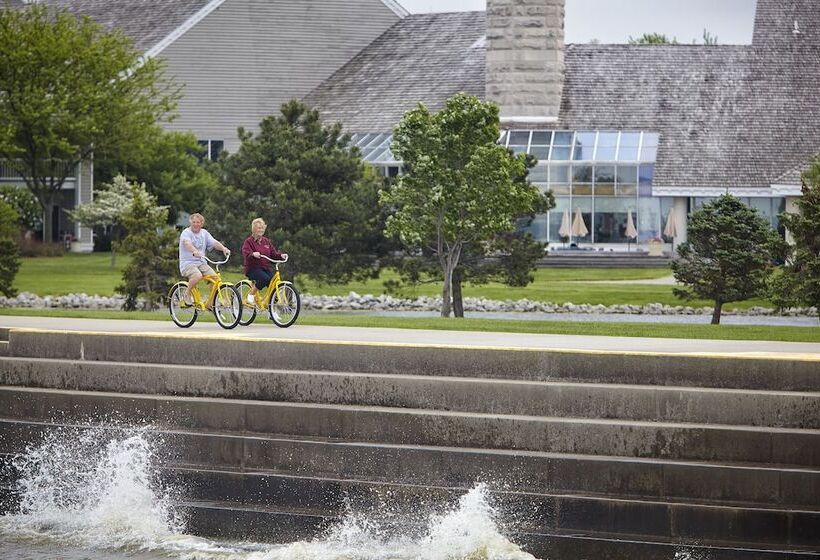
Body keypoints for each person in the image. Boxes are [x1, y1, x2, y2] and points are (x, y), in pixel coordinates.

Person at [178, 213, 230, 305]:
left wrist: (223, 248)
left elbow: (214, 242)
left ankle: (211, 303)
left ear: (202, 223)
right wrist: (194, 251)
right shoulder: (186, 232)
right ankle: (187, 293)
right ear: (190, 222)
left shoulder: (204, 233)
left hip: (201, 262)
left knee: (215, 279)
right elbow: (187, 243)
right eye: (193, 222)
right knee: (197, 276)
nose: (195, 224)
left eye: (198, 222)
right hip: (188, 263)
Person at [241, 217, 286, 304]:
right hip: (252, 269)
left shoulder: (266, 241)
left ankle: (271, 310)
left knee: (273, 285)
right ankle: (251, 294)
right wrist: (253, 254)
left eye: (262, 228)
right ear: (254, 229)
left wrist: (281, 256)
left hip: (265, 268)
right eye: (259, 228)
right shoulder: (248, 242)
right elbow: (246, 253)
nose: (261, 230)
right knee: (264, 278)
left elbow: (273, 254)